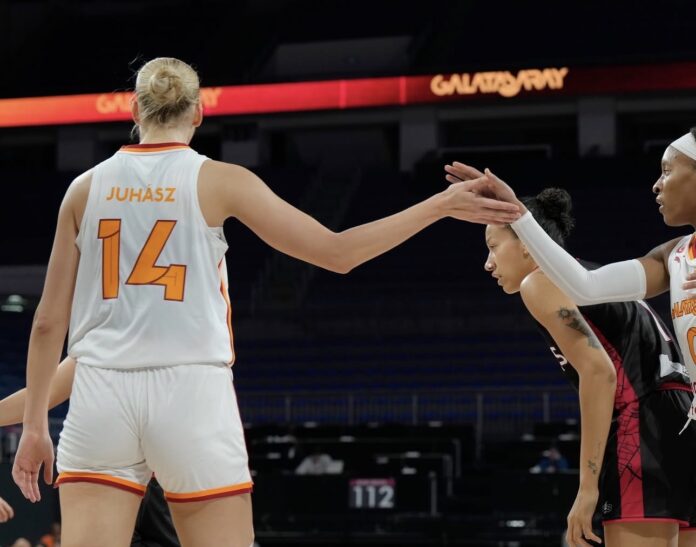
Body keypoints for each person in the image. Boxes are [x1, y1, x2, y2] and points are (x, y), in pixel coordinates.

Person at [10, 57, 521, 547]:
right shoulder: (220, 180)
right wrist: (439, 206)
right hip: (190, 391)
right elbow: (338, 253)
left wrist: (34, 425)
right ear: (198, 112)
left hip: (100, 392)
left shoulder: (84, 189)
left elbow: (48, 323)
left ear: (134, 111)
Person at [447, 161, 696, 547]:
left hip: (643, 427)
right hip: (684, 425)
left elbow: (600, 374)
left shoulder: (538, 282)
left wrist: (586, 487)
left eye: (494, 247)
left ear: (527, 245)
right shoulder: (595, 281)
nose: (488, 262)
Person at [0, 359, 179, 547]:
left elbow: (49, 389)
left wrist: (34, 430)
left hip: (120, 469)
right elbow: (49, 391)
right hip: (138, 470)